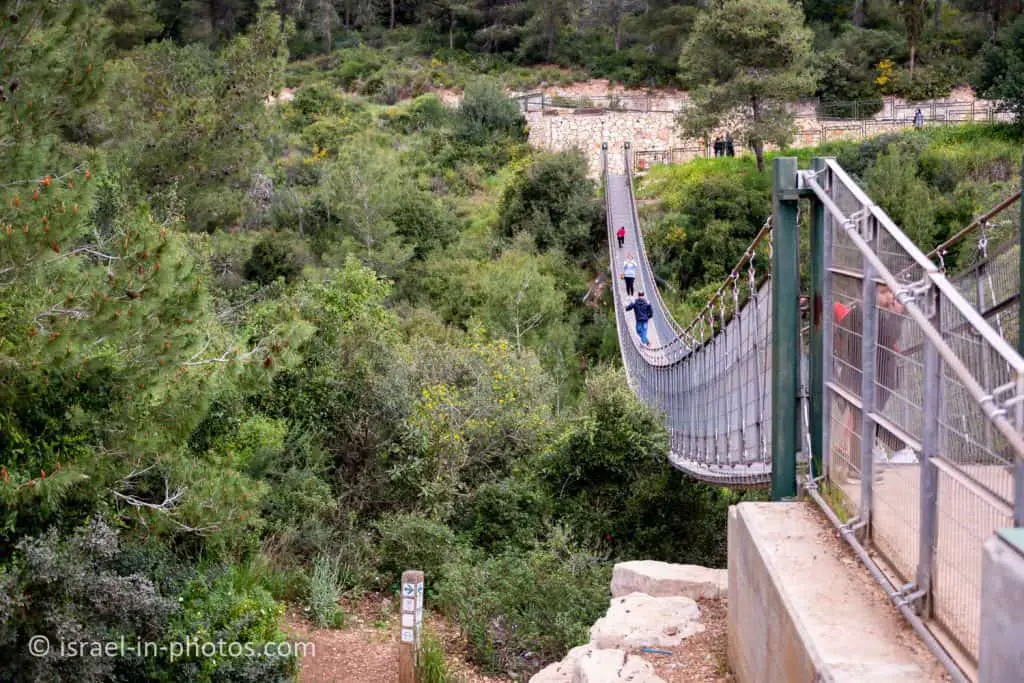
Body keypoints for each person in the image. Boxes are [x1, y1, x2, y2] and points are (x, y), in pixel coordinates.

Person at [832, 283, 913, 481]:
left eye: (891, 292)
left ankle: (858, 465)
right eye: (884, 293)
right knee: (866, 419)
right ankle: (860, 466)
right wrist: (898, 315)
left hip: (866, 376)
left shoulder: (861, 312)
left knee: (865, 419)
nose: (890, 297)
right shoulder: (869, 314)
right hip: (869, 377)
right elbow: (888, 336)